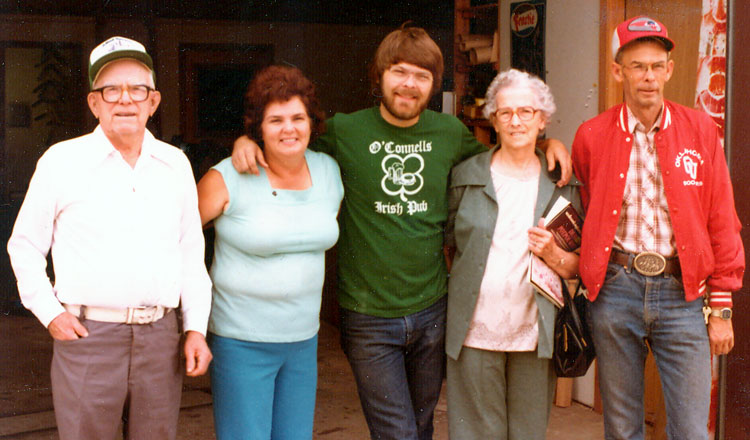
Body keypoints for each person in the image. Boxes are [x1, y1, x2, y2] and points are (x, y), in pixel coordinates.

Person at [231, 25, 572, 440]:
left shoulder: (449, 133)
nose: (409, 84)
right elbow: (288, 140)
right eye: (399, 72)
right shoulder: (345, 130)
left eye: (422, 76)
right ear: (380, 76)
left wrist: (547, 144)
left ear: (433, 85)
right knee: (398, 432)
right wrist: (247, 142)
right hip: (367, 314)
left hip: (432, 309)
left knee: (422, 426)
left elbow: (507, 158)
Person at [6, 36, 212, 440]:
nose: (125, 100)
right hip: (88, 337)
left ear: (153, 102)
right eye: (111, 89)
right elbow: (24, 245)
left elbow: (191, 251)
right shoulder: (61, 161)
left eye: (137, 89)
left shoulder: (175, 164)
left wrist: (196, 328)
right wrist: (50, 312)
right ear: (93, 102)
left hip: (160, 339)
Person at [571, 16, 744, 439]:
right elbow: (585, 210)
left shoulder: (701, 129)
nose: (648, 77)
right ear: (618, 71)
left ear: (669, 69)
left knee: (691, 431)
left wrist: (721, 308)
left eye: (656, 66)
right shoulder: (591, 135)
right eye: (637, 66)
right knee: (622, 428)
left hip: (683, 295)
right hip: (615, 291)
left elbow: (721, 217)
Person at [197, 65, 344, 439]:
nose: (289, 128)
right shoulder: (226, 176)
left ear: (312, 123)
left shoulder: (328, 171)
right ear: (257, 128)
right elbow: (177, 241)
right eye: (275, 120)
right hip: (241, 341)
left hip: (302, 341)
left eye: (298, 117)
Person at [444, 68, 582, 439]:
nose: (516, 120)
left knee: (527, 432)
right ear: (493, 120)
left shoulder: (563, 184)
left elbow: (578, 265)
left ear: (543, 120)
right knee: (475, 433)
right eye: (505, 112)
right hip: (474, 329)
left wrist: (553, 255)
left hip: (535, 333)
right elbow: (448, 244)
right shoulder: (465, 176)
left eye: (527, 112)